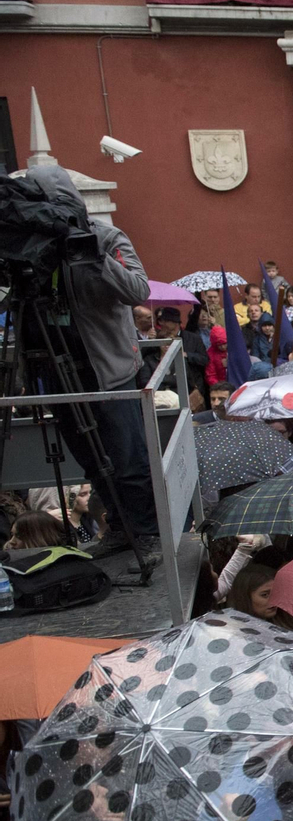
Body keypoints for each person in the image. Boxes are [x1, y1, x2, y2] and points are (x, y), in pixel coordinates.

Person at [22, 165, 161, 565]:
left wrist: (94, 256)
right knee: (91, 460)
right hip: (59, 372)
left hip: (110, 370)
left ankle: (147, 533)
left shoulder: (105, 237)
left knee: (129, 459)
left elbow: (138, 289)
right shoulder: (31, 245)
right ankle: (119, 526)